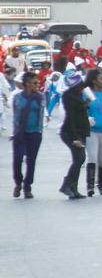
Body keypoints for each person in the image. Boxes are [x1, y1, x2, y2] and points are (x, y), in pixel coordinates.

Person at [11, 71, 45, 199]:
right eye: (34, 83)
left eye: (38, 82)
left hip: (35, 132)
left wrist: (40, 130)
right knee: (18, 159)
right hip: (20, 133)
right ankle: (18, 182)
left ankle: (27, 186)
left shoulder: (40, 97)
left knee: (31, 160)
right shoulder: (18, 97)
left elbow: (41, 113)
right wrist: (17, 131)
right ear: (26, 84)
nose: (37, 85)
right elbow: (15, 115)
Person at [59, 71, 90, 199]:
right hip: (71, 132)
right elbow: (71, 117)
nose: (82, 85)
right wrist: (74, 138)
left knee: (79, 159)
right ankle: (67, 185)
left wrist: (86, 104)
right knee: (79, 158)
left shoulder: (78, 94)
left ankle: (73, 188)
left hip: (81, 131)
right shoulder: (68, 96)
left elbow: (80, 109)